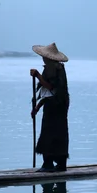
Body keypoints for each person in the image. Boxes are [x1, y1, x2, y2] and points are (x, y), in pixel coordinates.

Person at [30, 42, 70, 172]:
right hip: (50, 107)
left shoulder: (59, 70)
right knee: (47, 133)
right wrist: (37, 107)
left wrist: (38, 76)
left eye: (45, 57)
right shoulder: (47, 69)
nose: (43, 59)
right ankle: (48, 163)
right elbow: (45, 93)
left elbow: (52, 88)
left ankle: (58, 164)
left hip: (58, 107)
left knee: (57, 133)